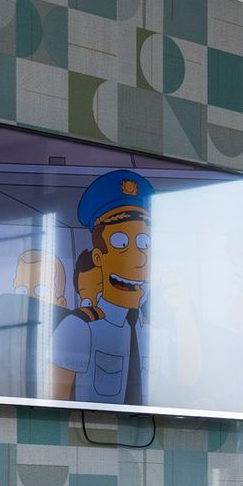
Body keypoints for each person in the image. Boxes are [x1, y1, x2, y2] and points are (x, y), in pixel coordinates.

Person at [51, 168, 153, 405]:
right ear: (98, 257)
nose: (138, 259)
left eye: (144, 243)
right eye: (121, 243)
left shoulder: (151, 331)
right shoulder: (79, 327)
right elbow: (54, 399)